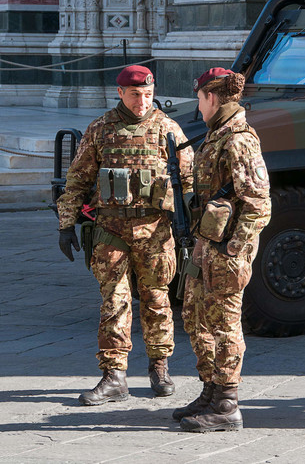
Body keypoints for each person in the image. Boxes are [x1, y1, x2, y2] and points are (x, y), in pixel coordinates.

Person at [57, 65, 193, 405]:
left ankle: (159, 367)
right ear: (120, 93)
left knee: (157, 300)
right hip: (111, 231)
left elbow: (189, 182)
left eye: (147, 95)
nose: (142, 102)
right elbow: (77, 179)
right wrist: (66, 224)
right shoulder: (101, 129)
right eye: (134, 95)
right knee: (114, 303)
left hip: (156, 232)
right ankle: (114, 376)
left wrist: (195, 226)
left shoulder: (168, 128)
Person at [173, 67, 271, 432]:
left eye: (200, 99)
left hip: (225, 252)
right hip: (207, 245)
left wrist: (235, 250)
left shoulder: (238, 140)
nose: (198, 107)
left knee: (224, 325)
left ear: (211, 97)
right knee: (196, 316)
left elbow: (259, 203)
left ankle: (227, 404)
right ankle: (210, 391)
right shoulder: (218, 134)